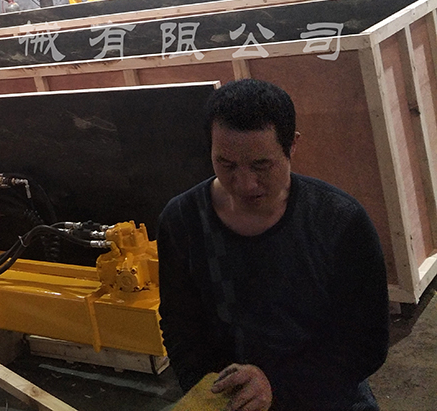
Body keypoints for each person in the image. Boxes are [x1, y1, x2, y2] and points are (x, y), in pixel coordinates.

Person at [157, 79, 389, 411]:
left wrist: (276, 385)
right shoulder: (182, 220)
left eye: (261, 165)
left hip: (327, 397)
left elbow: (365, 342)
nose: (245, 184)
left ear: (292, 146)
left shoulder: (339, 222)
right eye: (226, 165)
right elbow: (180, 326)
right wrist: (212, 391)